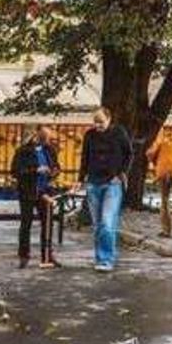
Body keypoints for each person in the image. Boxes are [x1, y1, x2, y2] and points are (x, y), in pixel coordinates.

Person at [75, 108, 132, 272]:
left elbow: (129, 154)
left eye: (101, 122)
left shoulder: (118, 133)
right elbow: (84, 158)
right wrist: (80, 179)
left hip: (112, 183)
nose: (97, 125)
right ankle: (100, 258)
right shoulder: (89, 135)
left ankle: (107, 259)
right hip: (93, 182)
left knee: (107, 222)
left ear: (109, 119)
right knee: (98, 225)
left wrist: (121, 173)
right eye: (95, 121)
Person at [10, 125, 62, 268]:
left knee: (47, 224)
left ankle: (47, 255)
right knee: (26, 223)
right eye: (44, 137)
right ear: (37, 135)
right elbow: (15, 171)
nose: (47, 140)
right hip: (28, 191)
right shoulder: (23, 151)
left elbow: (57, 166)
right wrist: (36, 170)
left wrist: (54, 172)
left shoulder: (50, 150)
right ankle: (24, 256)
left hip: (46, 191)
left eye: (49, 137)